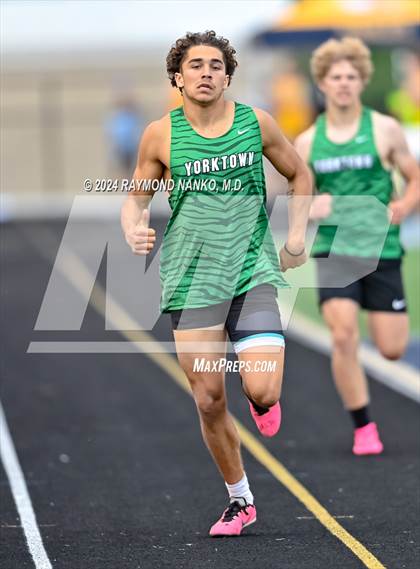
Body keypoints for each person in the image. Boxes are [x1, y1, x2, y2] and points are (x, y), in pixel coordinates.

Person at [121, 31, 312, 536]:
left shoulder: (256, 123)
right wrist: (133, 226)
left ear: (228, 75)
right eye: (195, 65)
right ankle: (240, 500)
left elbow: (300, 175)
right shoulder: (160, 135)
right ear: (177, 77)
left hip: (251, 273)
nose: (205, 72)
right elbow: (135, 196)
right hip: (191, 282)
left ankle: (262, 398)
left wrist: (295, 237)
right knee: (208, 399)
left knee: (263, 390)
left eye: (214, 65)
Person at [295, 37, 420, 456]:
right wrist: (312, 206)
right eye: (336, 77)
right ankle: (363, 427)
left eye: (351, 77)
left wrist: (402, 204)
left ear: (362, 81)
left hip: (382, 251)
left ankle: (377, 314)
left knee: (391, 349)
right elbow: (295, 196)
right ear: (323, 84)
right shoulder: (309, 142)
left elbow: (414, 176)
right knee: (344, 336)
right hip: (336, 250)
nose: (344, 84)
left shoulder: (384, 128)